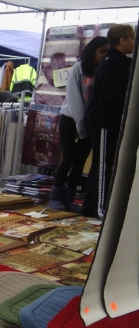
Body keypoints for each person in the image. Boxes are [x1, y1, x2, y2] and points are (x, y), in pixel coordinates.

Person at [48, 36, 110, 212]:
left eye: (107, 52)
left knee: (80, 161)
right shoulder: (78, 68)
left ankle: (69, 198)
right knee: (68, 158)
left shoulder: (103, 70)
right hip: (70, 118)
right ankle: (55, 197)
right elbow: (75, 99)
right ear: (92, 52)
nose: (104, 55)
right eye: (102, 51)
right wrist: (81, 125)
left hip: (91, 122)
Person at [82, 24, 135, 217]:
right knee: (104, 166)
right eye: (131, 38)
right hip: (105, 122)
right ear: (122, 40)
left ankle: (91, 207)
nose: (133, 42)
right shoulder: (112, 63)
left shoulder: (119, 62)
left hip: (108, 122)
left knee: (101, 165)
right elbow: (115, 95)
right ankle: (101, 209)